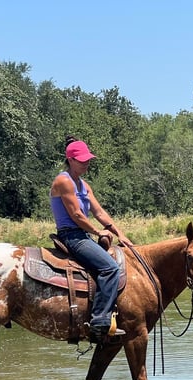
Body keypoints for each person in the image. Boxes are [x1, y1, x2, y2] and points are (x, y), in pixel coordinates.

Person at [50, 137, 134, 343]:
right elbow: (77, 215)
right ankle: (99, 322)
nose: (86, 163)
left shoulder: (84, 185)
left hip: (82, 234)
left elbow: (99, 212)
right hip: (71, 235)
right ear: (70, 159)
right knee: (110, 268)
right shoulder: (63, 181)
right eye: (82, 160)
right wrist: (99, 233)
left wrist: (119, 233)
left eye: (88, 159)